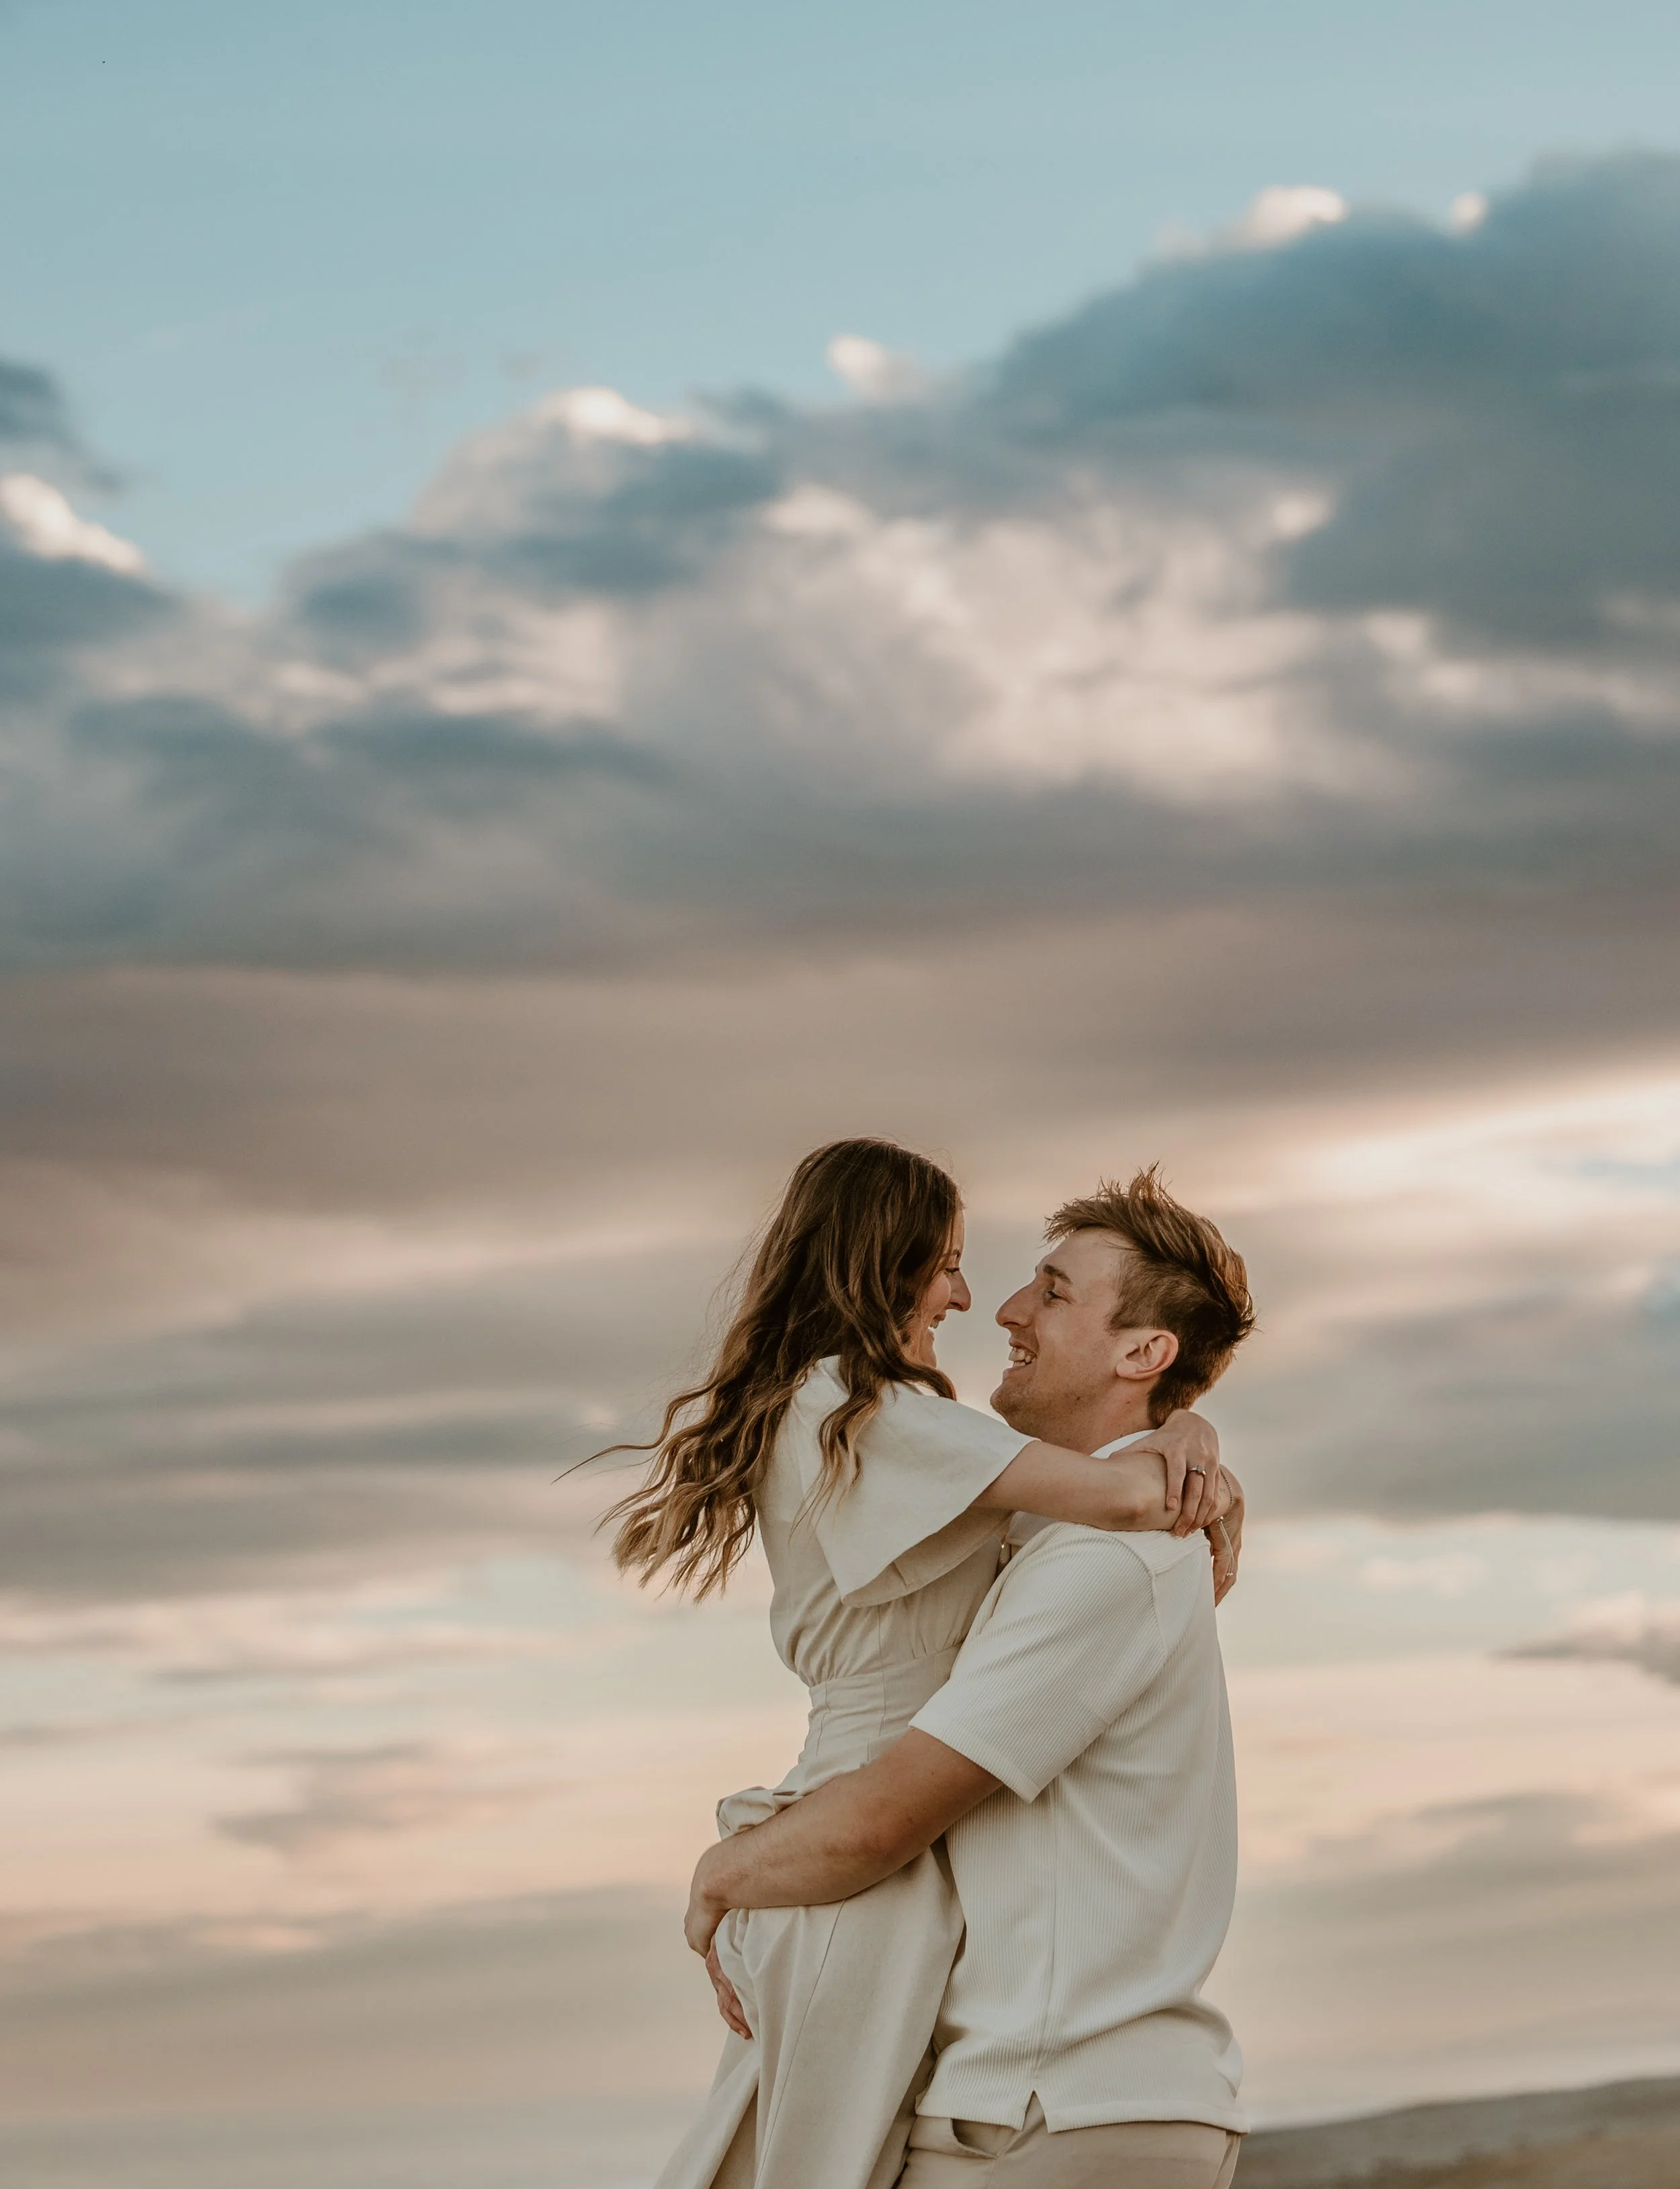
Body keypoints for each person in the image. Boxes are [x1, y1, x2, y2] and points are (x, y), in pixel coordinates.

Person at [605, 1140, 1240, 2189]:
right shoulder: (878, 1421)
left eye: (1052, 1291)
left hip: (914, 1916)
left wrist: (725, 1871)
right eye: (951, 1263)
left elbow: (885, 1819)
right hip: (860, 1860)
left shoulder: (1075, 1551)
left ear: (1142, 1352)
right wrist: (1192, 1450)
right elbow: (1122, 1497)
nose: (986, 1304)